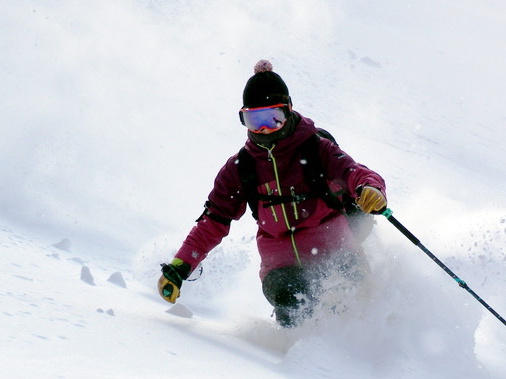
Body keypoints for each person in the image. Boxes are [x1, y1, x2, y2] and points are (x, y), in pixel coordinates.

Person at [158, 61, 387, 327]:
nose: (265, 129)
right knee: (294, 302)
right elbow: (213, 222)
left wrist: (371, 189)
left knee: (351, 295)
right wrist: (179, 267)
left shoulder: (315, 150)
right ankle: (297, 361)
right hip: (282, 267)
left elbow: (355, 172)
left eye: (273, 118)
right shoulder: (241, 167)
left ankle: (369, 348)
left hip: (334, 249)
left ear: (288, 111)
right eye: (255, 120)